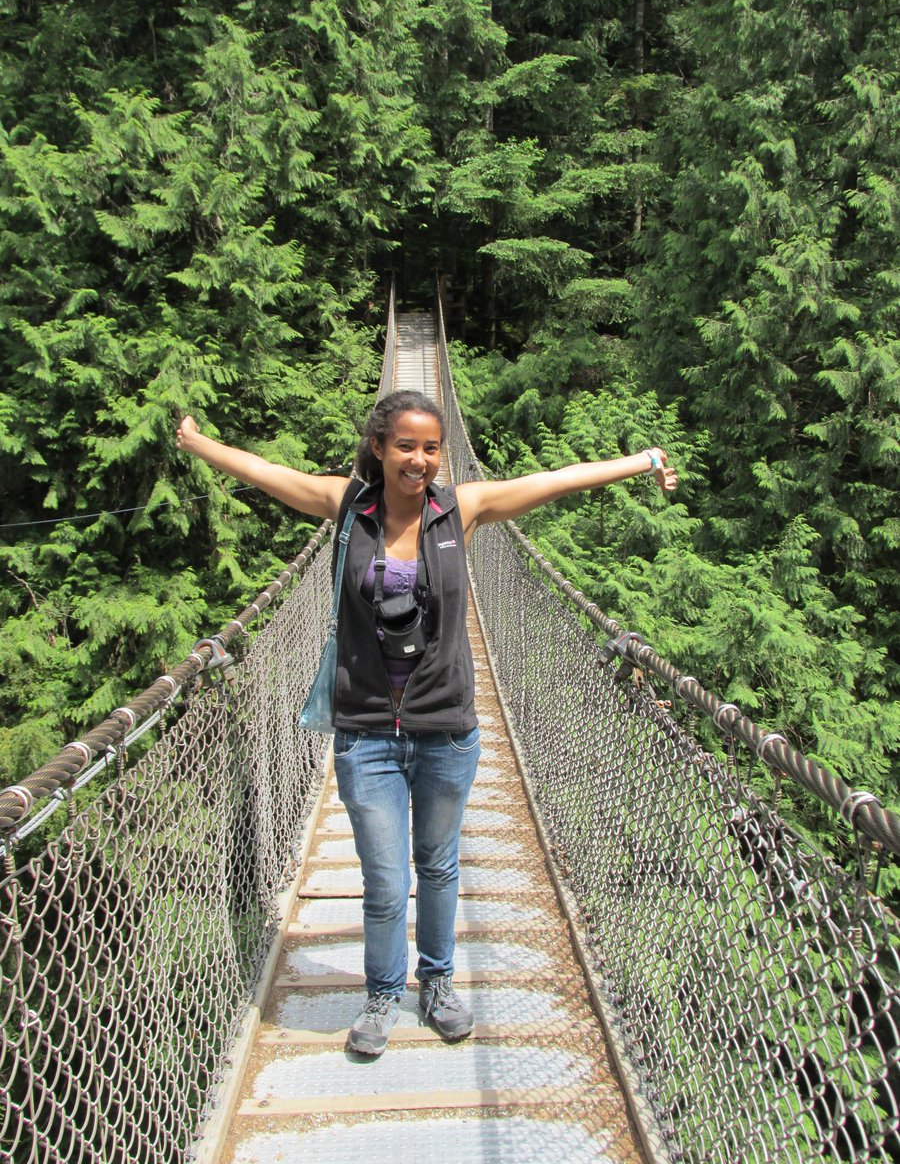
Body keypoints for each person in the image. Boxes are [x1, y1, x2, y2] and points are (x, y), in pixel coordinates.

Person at [176, 390, 677, 1056]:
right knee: (386, 878)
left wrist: (641, 461)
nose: (420, 460)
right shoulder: (346, 506)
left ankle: (437, 984)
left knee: (437, 866)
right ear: (380, 447)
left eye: (432, 448)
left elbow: (553, 482)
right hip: (367, 731)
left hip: (446, 728)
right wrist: (197, 442)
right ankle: (383, 995)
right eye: (406, 445)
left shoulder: (460, 510)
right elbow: (267, 474)